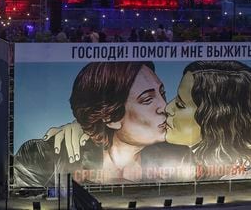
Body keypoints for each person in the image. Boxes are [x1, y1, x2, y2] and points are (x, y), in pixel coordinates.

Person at [14, 62, 191, 187]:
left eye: (162, 94)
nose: (165, 107)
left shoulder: (181, 155)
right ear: (110, 117)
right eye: (147, 100)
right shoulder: (45, 157)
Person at [166, 60, 251, 180]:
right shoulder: (188, 163)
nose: (167, 108)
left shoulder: (239, 177)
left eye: (180, 104)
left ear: (216, 116)